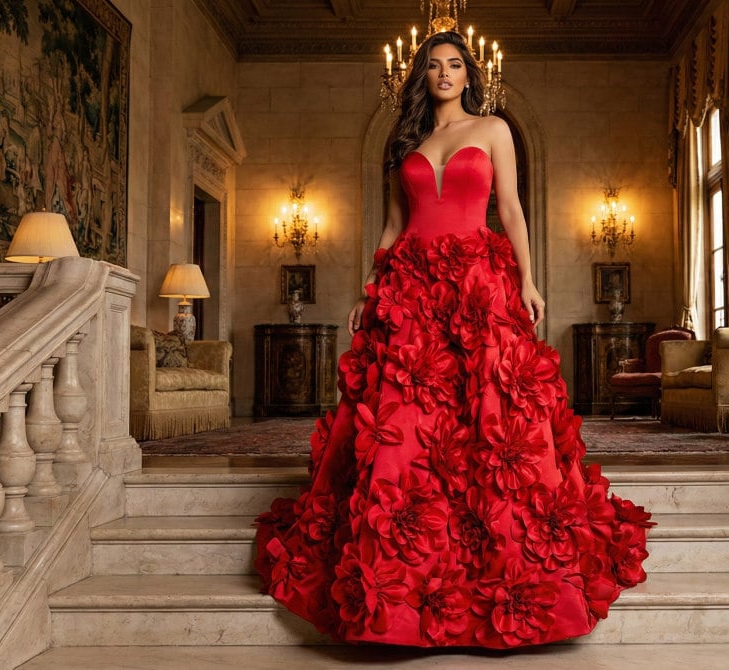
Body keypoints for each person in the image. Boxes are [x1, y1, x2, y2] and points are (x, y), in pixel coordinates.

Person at [255, 31, 653, 648]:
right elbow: (394, 224)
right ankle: (404, 583)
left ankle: (498, 565)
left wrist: (527, 280)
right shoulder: (405, 141)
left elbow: (513, 210)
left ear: (470, 75)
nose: (445, 74)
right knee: (407, 421)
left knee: (488, 417)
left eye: (455, 65)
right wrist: (368, 286)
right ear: (423, 76)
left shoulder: (493, 129)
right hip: (411, 285)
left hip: (477, 282)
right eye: (435, 66)